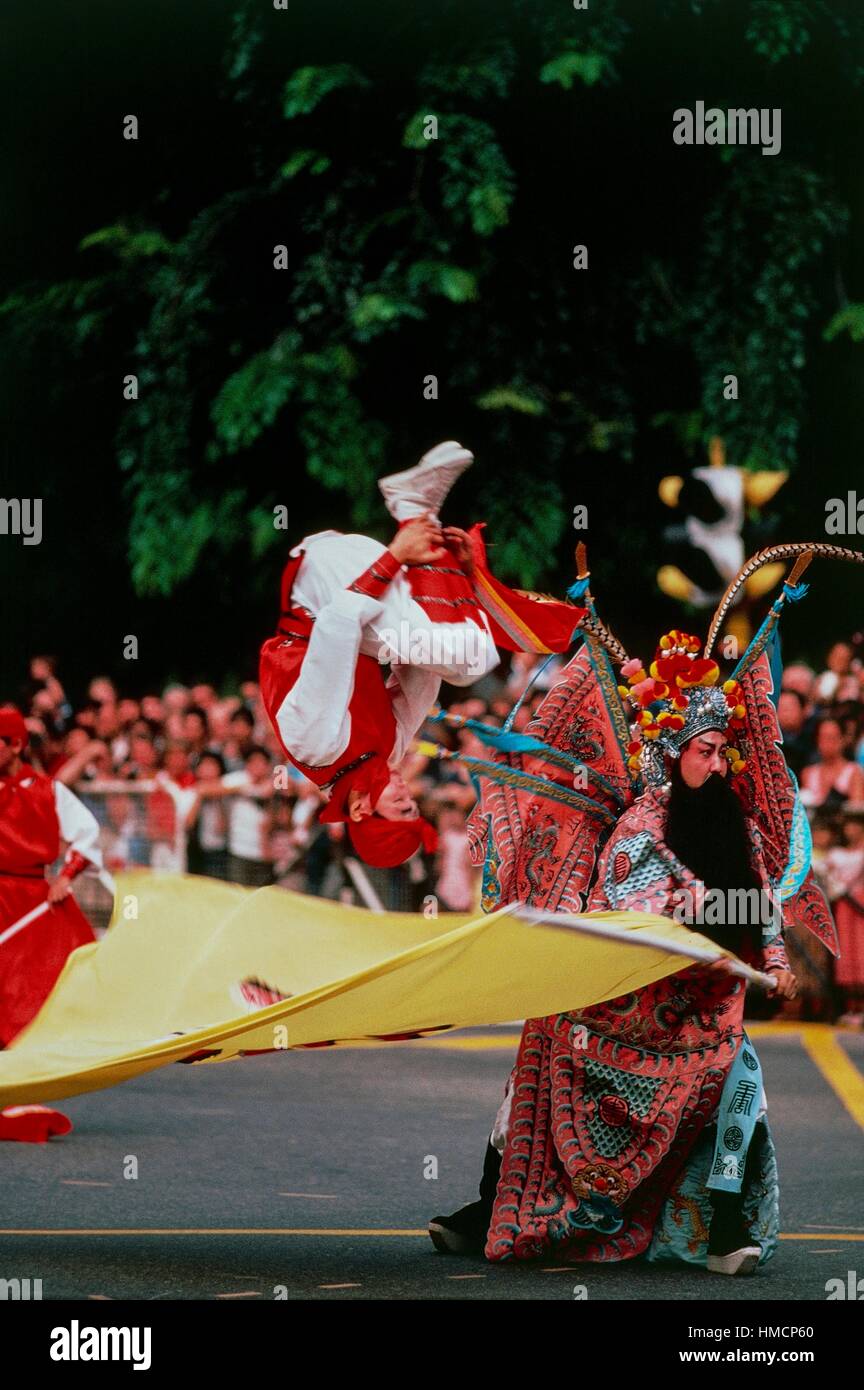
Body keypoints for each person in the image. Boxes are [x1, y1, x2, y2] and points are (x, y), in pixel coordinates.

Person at [260, 442, 587, 870]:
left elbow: (336, 623)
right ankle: (427, 524)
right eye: (413, 806)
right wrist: (458, 578)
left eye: (401, 809)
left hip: (321, 586)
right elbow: (422, 673)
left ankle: (412, 508)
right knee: (466, 660)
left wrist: (399, 556)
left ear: (359, 812)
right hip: (351, 589)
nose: (406, 796)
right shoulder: (387, 753)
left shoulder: (317, 745)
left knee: (466, 657)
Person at [0, 707, 104, 1142]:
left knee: (22, 1001)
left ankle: (13, 1092)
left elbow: (86, 833)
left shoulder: (48, 792)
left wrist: (66, 874)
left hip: (29, 905)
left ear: (16, 745)